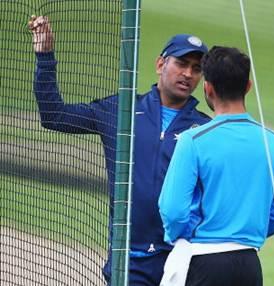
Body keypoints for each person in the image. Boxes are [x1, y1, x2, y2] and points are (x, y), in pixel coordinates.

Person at [28, 15, 211, 286]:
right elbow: (54, 116)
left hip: (180, 261)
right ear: (161, 64)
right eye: (181, 63)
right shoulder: (121, 110)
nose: (188, 74)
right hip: (129, 260)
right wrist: (45, 56)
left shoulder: (203, 128)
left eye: (196, 69)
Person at [158, 46, 274, 286]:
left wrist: (182, 236)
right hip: (249, 265)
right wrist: (242, 235)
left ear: (207, 87)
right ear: (248, 86)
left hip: (201, 261)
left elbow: (173, 210)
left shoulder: (193, 140)